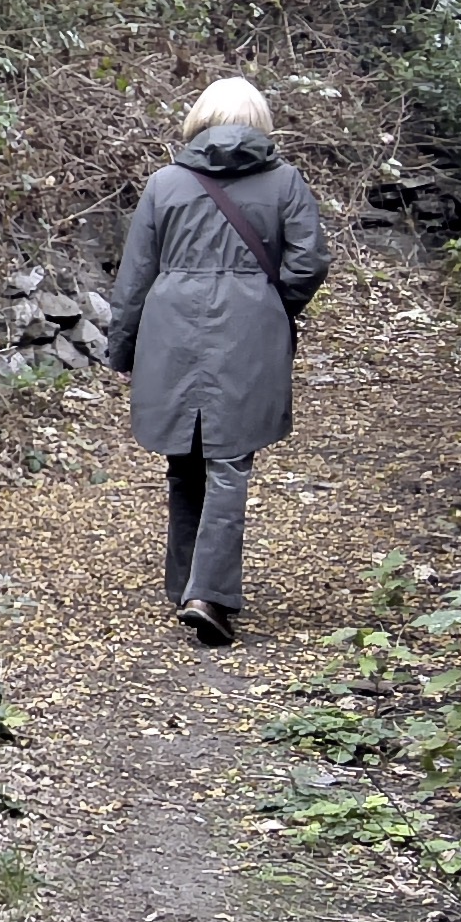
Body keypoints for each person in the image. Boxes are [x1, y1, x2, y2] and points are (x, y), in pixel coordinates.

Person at [104, 76, 330, 644]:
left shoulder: (165, 184)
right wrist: (270, 307)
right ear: (260, 121)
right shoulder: (285, 183)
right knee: (229, 462)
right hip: (247, 332)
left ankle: (186, 586)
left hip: (171, 328)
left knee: (183, 458)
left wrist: (123, 346)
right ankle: (209, 594)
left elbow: (135, 277)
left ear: (200, 118)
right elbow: (309, 263)